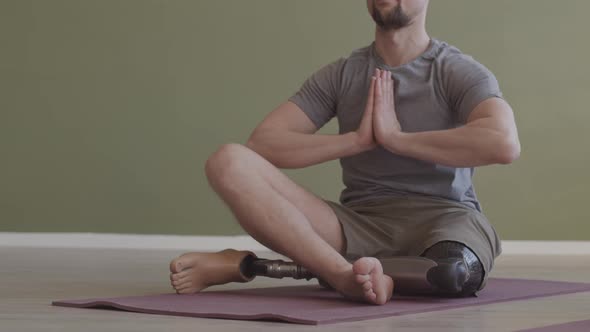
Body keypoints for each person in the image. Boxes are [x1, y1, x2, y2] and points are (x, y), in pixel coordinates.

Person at [168, 0, 520, 305]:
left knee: (452, 274)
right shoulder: (342, 74)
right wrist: (355, 141)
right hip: (356, 223)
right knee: (228, 161)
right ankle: (341, 274)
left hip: (444, 219)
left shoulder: (456, 70)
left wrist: (396, 138)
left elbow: (503, 143)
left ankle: (250, 265)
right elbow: (264, 144)